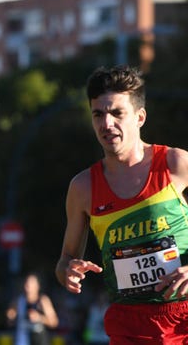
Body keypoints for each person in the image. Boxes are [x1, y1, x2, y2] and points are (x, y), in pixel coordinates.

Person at [55, 65, 188, 343]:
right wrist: (68, 271)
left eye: (117, 113)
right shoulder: (83, 187)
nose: (107, 124)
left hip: (183, 318)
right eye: (98, 114)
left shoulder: (176, 164)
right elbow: (65, 260)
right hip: (129, 324)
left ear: (139, 117)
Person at [6, 272, 59, 345]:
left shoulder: (43, 301)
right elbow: (10, 322)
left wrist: (39, 318)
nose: (28, 287)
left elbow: (54, 322)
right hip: (22, 341)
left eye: (31, 284)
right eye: (27, 284)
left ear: (37, 286)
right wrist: (11, 317)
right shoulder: (18, 301)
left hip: (39, 340)